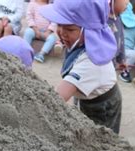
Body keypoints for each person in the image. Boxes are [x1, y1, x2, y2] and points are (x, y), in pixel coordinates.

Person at [40, 0, 122, 134]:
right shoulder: (79, 42)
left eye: (70, 29)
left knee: (100, 140)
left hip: (102, 108)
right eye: (59, 24)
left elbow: (56, 98)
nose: (61, 32)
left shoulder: (91, 63)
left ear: (90, 31)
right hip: (88, 96)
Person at [118, 2, 135, 83]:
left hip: (127, 50)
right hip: (115, 48)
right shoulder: (116, 23)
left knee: (133, 54)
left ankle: (125, 72)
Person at [107, 0, 129, 76]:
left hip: (112, 64)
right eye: (125, 3)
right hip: (100, 61)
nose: (127, 5)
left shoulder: (119, 20)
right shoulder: (102, 19)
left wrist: (122, 60)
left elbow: (121, 41)